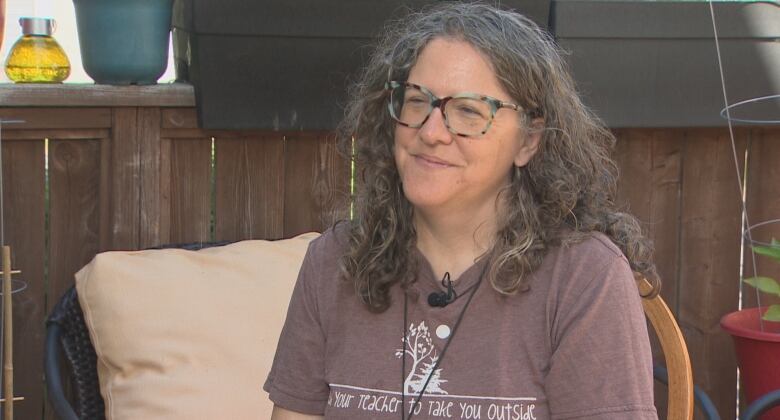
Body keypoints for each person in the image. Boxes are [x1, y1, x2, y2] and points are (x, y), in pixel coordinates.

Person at [264, 3, 659, 419]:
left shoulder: (584, 278)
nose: (431, 132)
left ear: (529, 140)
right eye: (417, 101)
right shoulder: (334, 264)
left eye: (468, 111)